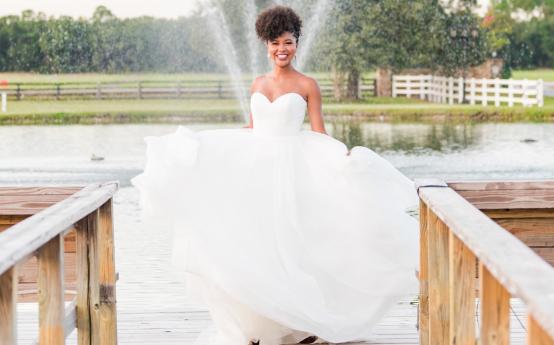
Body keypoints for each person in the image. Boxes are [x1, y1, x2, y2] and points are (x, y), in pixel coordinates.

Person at [131, 5, 419, 345]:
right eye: (274, 43)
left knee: (294, 244)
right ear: (266, 45)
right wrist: (210, 147)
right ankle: (259, 325)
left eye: (288, 41)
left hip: (292, 172)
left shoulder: (307, 84)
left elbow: (318, 132)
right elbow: (253, 129)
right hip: (257, 173)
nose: (281, 49)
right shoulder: (258, 83)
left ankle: (302, 323)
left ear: (296, 42)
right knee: (257, 245)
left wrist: (341, 158)